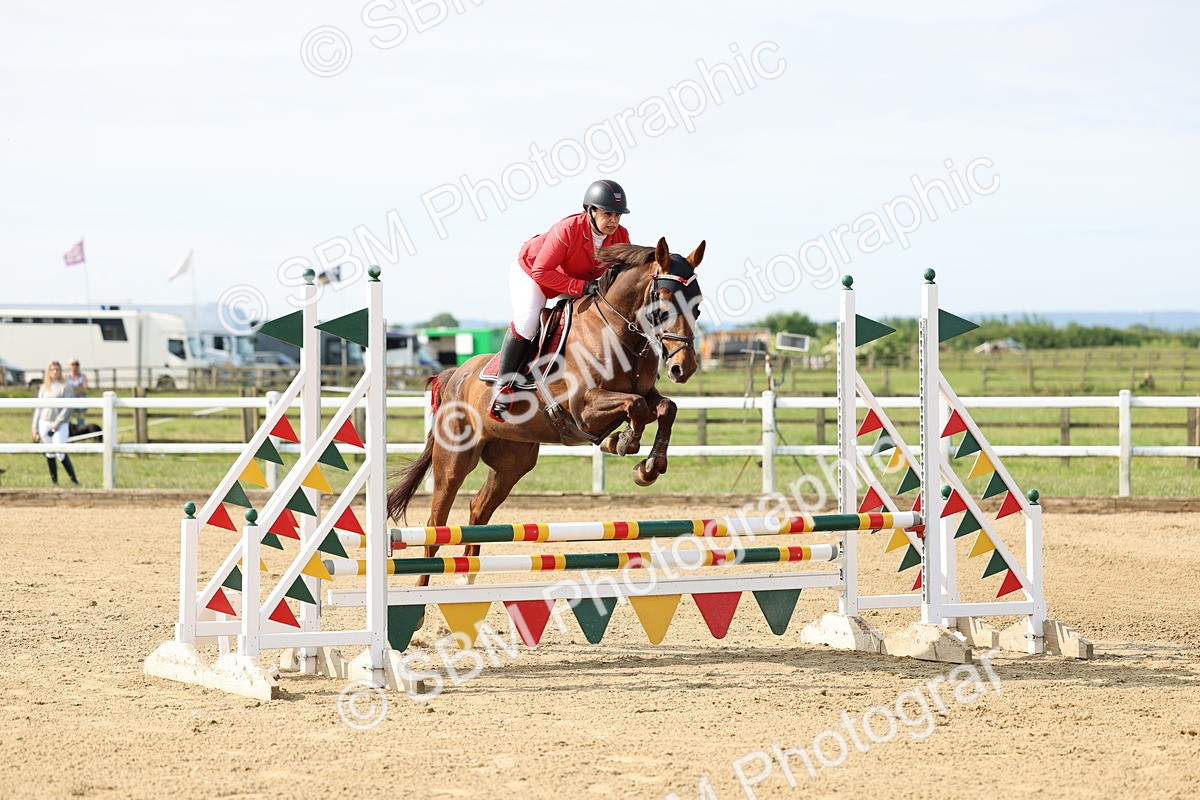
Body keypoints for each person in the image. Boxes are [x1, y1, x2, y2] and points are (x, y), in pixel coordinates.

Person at [490, 179, 632, 421]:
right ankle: (502, 389)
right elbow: (541, 272)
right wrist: (582, 287)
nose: (614, 220)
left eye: (618, 215)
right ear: (590, 211)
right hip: (532, 271)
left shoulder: (621, 235)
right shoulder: (567, 229)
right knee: (528, 323)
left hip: (575, 279)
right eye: (608, 213)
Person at [31, 361, 80, 486]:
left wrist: (57, 423)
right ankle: (54, 481)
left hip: (60, 423)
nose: (54, 372)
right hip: (44, 421)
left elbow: (68, 407)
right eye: (52, 369)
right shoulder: (44, 388)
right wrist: (34, 426)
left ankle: (74, 480)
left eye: (57, 369)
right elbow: (38, 407)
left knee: (60, 451)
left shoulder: (65, 386)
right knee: (49, 451)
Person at [67, 358, 89, 426]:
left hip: (80, 403)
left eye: (77, 364)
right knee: (67, 421)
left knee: (81, 422)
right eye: (72, 364)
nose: (75, 366)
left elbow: (85, 389)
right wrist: (79, 389)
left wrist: (72, 389)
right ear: (69, 366)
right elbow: (64, 389)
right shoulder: (66, 376)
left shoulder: (83, 376)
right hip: (69, 403)